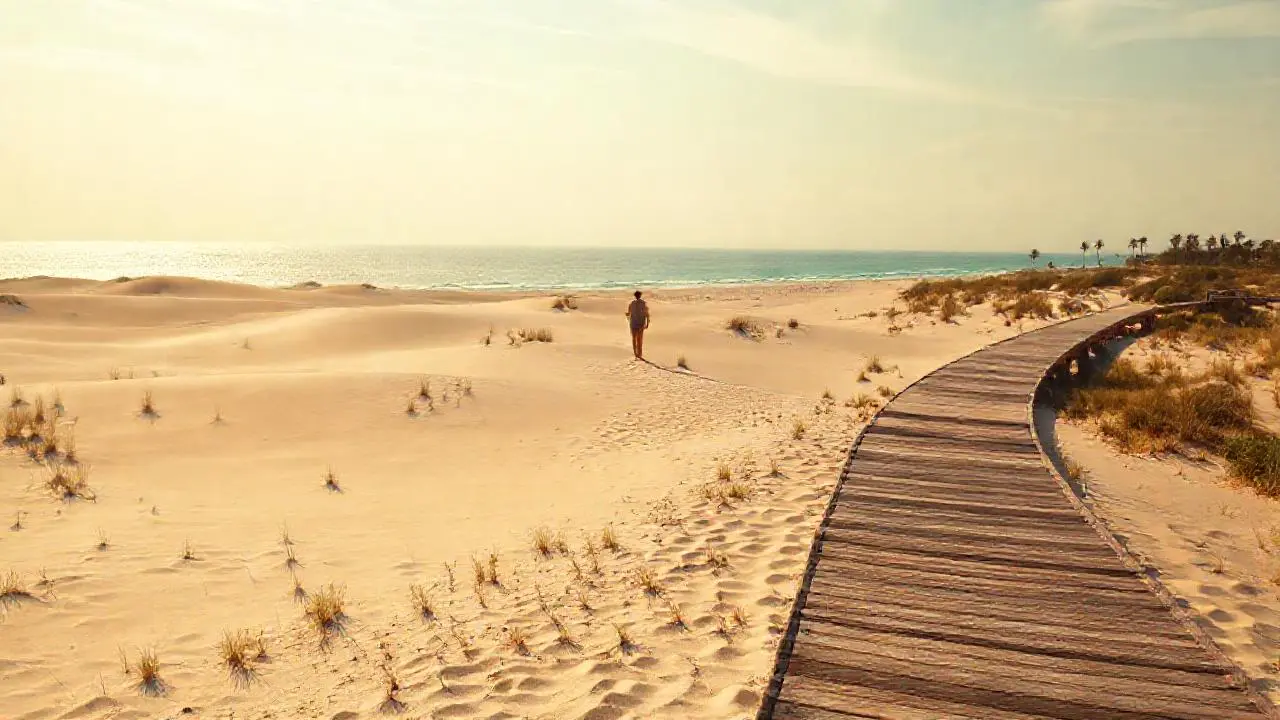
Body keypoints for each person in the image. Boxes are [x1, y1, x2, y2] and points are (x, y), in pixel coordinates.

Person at [626, 290, 650, 359]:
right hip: (641, 324)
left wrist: (627, 315)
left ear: (635, 296)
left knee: (634, 338)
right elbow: (647, 314)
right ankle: (639, 353)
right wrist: (647, 323)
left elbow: (629, 313)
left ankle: (635, 353)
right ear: (640, 295)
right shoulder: (644, 303)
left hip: (633, 323)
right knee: (639, 339)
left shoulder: (631, 303)